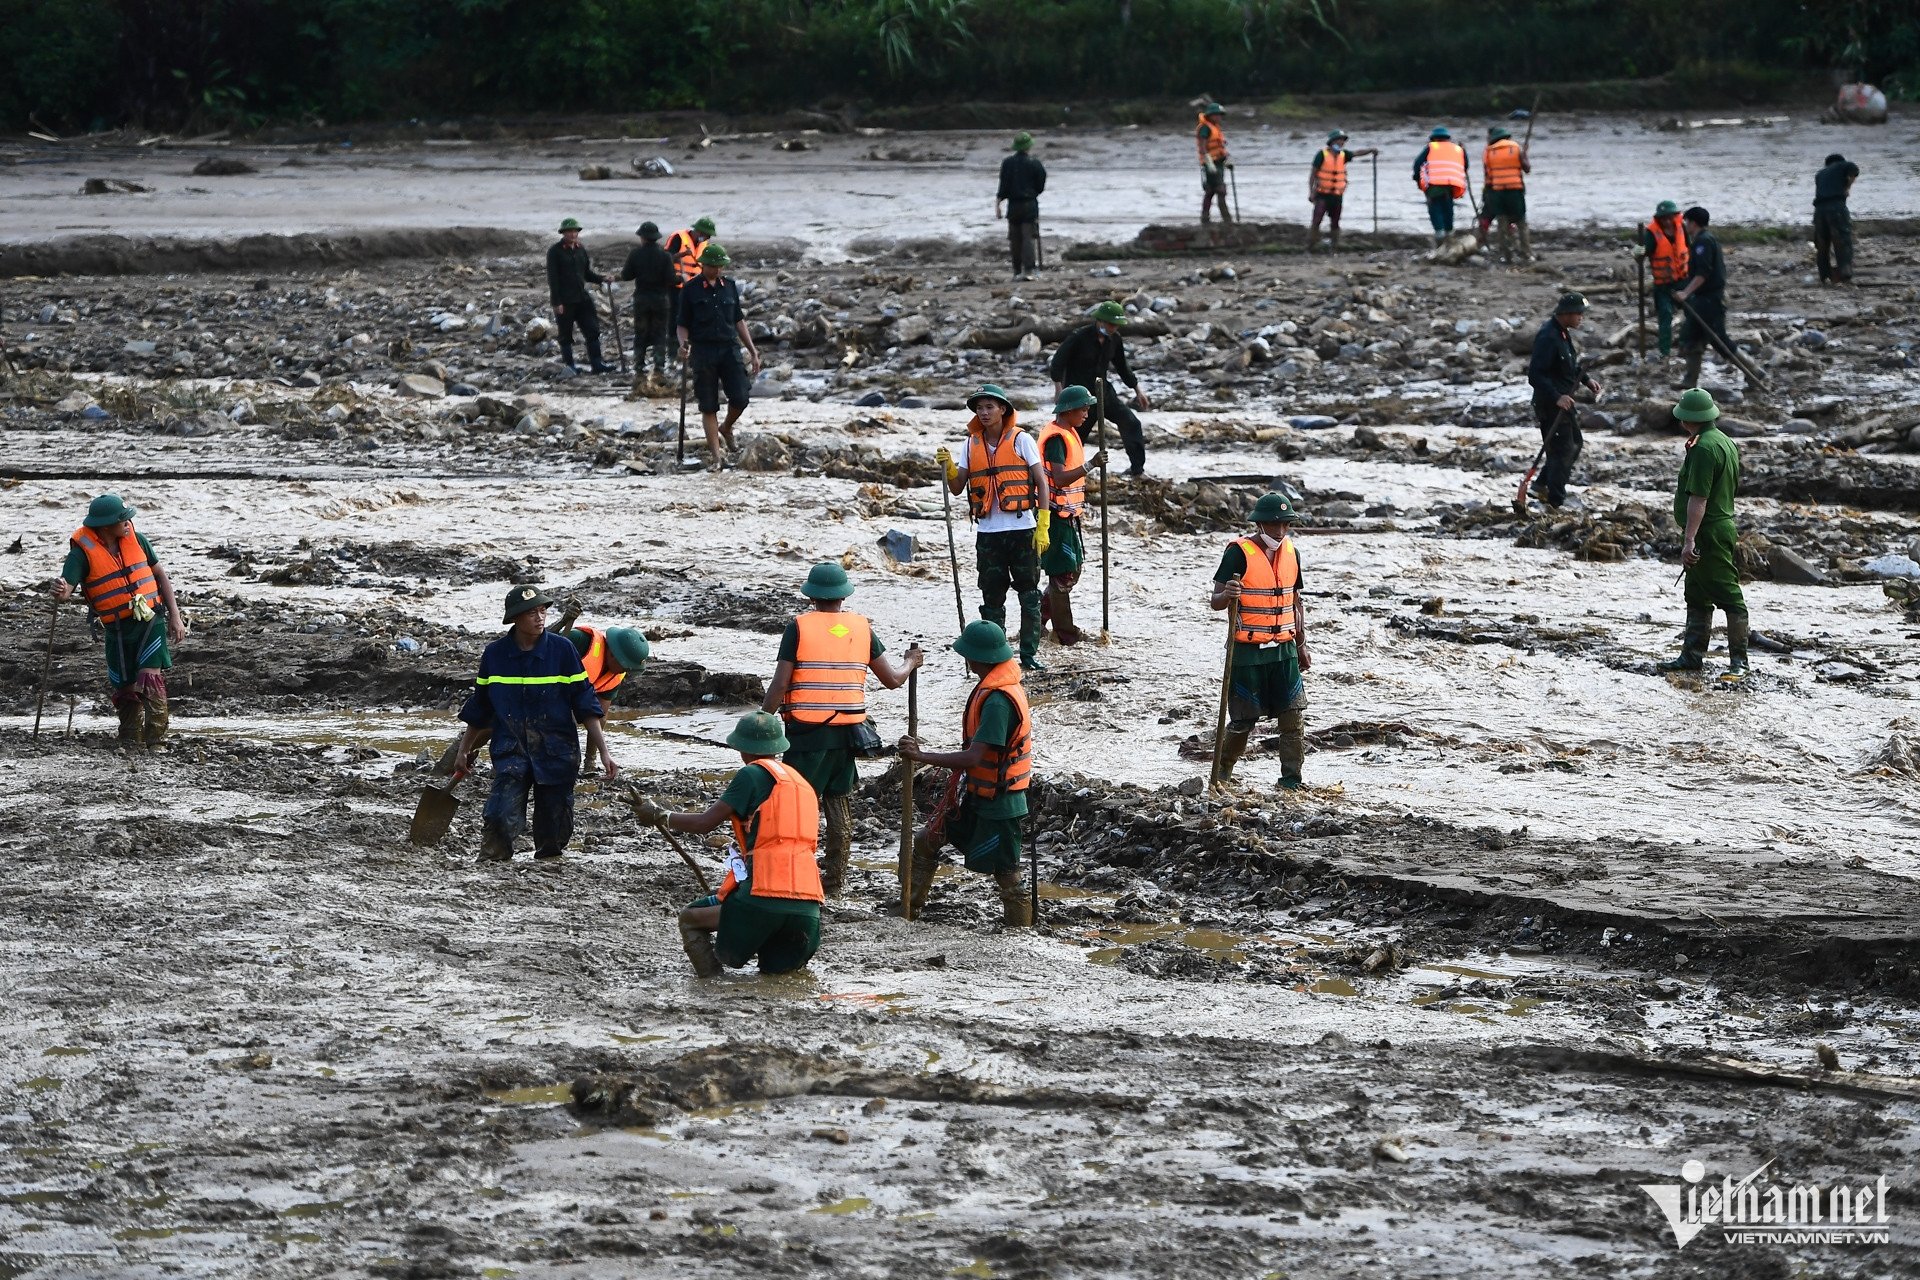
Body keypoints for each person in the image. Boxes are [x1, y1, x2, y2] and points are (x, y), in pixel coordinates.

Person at [761, 563, 925, 897]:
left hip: (807, 737)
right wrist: (912, 661)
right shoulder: (861, 627)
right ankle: (835, 883)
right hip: (849, 734)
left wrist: (761, 722)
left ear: (811, 598)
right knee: (839, 805)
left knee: (797, 809)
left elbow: (780, 685)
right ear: (843, 596)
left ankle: (797, 877)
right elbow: (893, 680)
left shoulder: (799, 628)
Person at [632, 712, 824, 977]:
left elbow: (705, 823)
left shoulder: (751, 775)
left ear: (742, 748)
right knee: (775, 981)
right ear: (779, 746)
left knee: (690, 919)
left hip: (761, 900)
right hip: (809, 910)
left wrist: (661, 815)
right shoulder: (803, 785)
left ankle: (713, 987)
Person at [455, 585, 619, 863]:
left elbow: (586, 704)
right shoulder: (495, 655)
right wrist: (464, 749)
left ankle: (549, 864)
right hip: (511, 750)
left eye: (542, 611)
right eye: (532, 613)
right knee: (499, 815)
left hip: (557, 752)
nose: (540, 618)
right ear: (515, 618)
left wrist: (604, 752)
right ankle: (492, 866)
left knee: (554, 830)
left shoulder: (563, 651)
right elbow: (480, 707)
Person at [898, 621, 1034, 928]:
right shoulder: (991, 686)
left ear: (980, 658)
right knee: (926, 840)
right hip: (975, 794)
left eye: (968, 654)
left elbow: (975, 756)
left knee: (1008, 875)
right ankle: (908, 910)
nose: (966, 659)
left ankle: (1020, 931)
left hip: (1000, 804)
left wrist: (921, 756)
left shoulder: (999, 701)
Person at [54, 493, 185, 750]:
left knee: (150, 679)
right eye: (123, 519)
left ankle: (156, 741)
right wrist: (60, 590)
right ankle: (130, 739)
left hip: (150, 621)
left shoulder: (137, 540)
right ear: (104, 526)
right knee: (125, 688)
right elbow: (66, 590)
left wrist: (175, 616)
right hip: (116, 629)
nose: (128, 523)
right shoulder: (81, 554)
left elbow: (160, 576)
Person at [937, 386, 1051, 671]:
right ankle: (996, 655)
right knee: (992, 598)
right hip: (988, 534)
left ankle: (1028, 654)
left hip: (1022, 528)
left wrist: (1043, 524)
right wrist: (949, 466)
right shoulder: (970, 444)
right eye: (979, 408)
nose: (984, 413)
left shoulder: (1021, 439)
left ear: (1003, 409)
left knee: (1029, 594)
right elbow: (956, 488)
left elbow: (1042, 482)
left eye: (989, 406)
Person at [1209, 493, 1312, 789]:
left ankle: (1291, 781)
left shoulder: (1292, 554)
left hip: (1284, 649)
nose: (1279, 532)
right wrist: (1227, 594)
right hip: (1247, 651)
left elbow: (1295, 602)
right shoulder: (1238, 553)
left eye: (1285, 525)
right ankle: (1222, 774)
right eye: (1272, 524)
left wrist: (1302, 645)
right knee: (1244, 720)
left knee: (1293, 717)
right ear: (1260, 524)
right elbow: (1215, 601)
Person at [1657, 389, 1749, 680]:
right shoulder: (1723, 441)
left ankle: (1740, 663)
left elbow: (1699, 498)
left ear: (1686, 420)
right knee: (1696, 593)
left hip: (1708, 530)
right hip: (1715, 526)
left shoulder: (1703, 449)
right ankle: (1691, 656)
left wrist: (1689, 539)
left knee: (1728, 593)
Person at [675, 243, 763, 470]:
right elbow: (682, 324)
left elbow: (738, 320)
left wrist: (752, 351)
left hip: (729, 348)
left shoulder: (730, 287)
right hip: (703, 351)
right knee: (708, 405)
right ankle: (716, 457)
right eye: (714, 266)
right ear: (704, 265)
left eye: (721, 266)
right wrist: (683, 345)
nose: (718, 270)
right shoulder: (691, 289)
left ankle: (726, 427)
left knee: (741, 397)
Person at [1036, 385, 1106, 645]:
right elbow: (1060, 477)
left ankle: (1038, 617)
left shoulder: (1068, 432)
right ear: (1068, 410)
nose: (1087, 414)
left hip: (1068, 514)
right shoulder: (1056, 439)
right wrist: (1091, 465)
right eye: (1084, 409)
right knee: (1062, 574)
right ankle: (1066, 634)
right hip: (1055, 515)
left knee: (1070, 570)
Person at [1048, 301, 1152, 477]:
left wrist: (1138, 390)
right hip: (1079, 396)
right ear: (1100, 321)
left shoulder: (1115, 340)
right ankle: (1065, 474)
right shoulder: (1079, 337)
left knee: (1131, 422)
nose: (1113, 328)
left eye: (1116, 325)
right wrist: (1058, 390)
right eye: (1111, 324)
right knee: (1074, 436)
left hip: (1103, 393)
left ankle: (1137, 470)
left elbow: (1122, 367)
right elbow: (1058, 362)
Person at [1525, 292, 1602, 509]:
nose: (1581, 318)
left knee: (1574, 444)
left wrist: (1586, 380)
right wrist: (1557, 397)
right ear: (1566, 314)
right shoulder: (1548, 337)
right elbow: (1535, 375)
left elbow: (1569, 366)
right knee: (1562, 450)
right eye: (1579, 314)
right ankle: (1555, 500)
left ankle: (1541, 485)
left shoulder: (1563, 335)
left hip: (1564, 402)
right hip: (1551, 405)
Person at [1674, 206, 1735, 390]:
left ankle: (1754, 371)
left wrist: (1686, 293)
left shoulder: (1703, 243)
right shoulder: (1702, 240)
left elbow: (1703, 273)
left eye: (1687, 222)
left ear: (1693, 222)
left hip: (1710, 299)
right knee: (1692, 337)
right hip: (1703, 299)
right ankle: (1690, 380)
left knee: (1719, 340)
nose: (1685, 226)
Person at [546, 218, 611, 374]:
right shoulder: (555, 252)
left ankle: (597, 364)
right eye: (569, 231)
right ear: (563, 233)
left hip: (582, 298)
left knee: (593, 331)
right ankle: (570, 366)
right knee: (565, 335)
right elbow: (552, 279)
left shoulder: (581, 249)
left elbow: (587, 273)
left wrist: (601, 279)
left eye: (575, 231)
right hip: (565, 300)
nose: (573, 234)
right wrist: (556, 302)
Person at [619, 221, 677, 395]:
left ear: (643, 238)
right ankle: (659, 367)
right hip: (660, 300)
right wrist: (681, 280)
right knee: (660, 334)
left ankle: (639, 367)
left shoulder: (635, 254)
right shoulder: (665, 256)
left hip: (642, 299)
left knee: (641, 333)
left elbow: (626, 275)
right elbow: (671, 280)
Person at [1634, 200, 1690, 359]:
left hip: (1683, 281)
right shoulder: (1651, 233)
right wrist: (1638, 253)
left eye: (1669, 217)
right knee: (1665, 315)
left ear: (1674, 216)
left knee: (1692, 313)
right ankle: (1664, 353)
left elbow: (1689, 247)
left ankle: (1687, 346)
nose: (1666, 221)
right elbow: (1643, 254)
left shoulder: (1682, 228)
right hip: (1663, 284)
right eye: (1663, 218)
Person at [1307, 129, 1377, 254]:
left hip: (1337, 195)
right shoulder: (1321, 155)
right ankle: (1311, 246)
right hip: (1322, 194)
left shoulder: (1343, 155)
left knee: (1335, 222)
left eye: (1342, 141)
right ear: (1331, 142)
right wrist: (1311, 192)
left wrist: (1370, 151)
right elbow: (1313, 174)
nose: (1341, 143)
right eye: (1338, 140)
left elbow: (1357, 153)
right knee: (1316, 220)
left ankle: (1334, 247)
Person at [996, 132, 1048, 281]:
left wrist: (998, 204)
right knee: (1028, 238)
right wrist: (1033, 192)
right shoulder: (1035, 163)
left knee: (1015, 239)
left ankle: (1017, 270)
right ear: (1029, 146)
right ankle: (1029, 269)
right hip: (1029, 204)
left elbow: (1003, 186)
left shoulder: (1007, 163)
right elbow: (1041, 184)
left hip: (1013, 205)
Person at [1479, 125, 1532, 263]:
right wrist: (1525, 155)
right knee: (1521, 222)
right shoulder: (1516, 148)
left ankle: (1506, 255)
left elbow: (1487, 175)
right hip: (1515, 190)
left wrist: (1487, 195)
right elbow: (1527, 169)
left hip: (1497, 191)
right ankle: (1526, 253)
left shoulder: (1489, 152)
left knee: (1502, 223)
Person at [1412, 126, 1469, 246]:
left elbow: (1417, 164)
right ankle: (1449, 236)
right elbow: (1465, 165)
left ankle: (1440, 238)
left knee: (1435, 210)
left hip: (1434, 185)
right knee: (1448, 210)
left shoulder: (1431, 147)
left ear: (1433, 139)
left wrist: (1417, 178)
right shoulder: (1458, 149)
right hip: (1451, 185)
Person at [564, 623, 650, 697]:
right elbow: (551, 639)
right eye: (625, 668)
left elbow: (601, 714)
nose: (624, 673)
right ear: (613, 655)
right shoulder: (578, 640)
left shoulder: (613, 680)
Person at [1813, 153, 1860, 285]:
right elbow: (1853, 169)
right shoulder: (1843, 165)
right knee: (1842, 241)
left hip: (1819, 211)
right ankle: (1845, 275)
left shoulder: (1820, 174)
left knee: (1822, 245)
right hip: (1836, 208)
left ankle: (1825, 276)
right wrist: (1847, 187)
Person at [1196, 101, 1232, 224]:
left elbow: (1220, 147)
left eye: (1220, 115)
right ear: (1210, 115)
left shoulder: (1216, 128)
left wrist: (1227, 160)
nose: (1219, 117)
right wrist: (1208, 162)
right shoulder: (1205, 128)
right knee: (1220, 190)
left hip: (1219, 163)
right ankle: (1227, 220)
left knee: (1210, 191)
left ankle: (1205, 218)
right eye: (1216, 115)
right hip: (1210, 164)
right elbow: (1202, 147)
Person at [665, 217, 715, 289]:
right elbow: (665, 260)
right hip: (675, 285)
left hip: (694, 287)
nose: (708, 238)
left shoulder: (704, 244)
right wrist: (682, 254)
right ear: (699, 232)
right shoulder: (678, 237)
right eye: (707, 235)